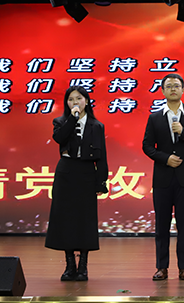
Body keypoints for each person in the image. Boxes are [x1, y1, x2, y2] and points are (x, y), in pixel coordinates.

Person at [143, 73, 184, 281]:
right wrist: (166, 159)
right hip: (163, 178)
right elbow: (147, 146)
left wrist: (183, 131)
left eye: (176, 86)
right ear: (163, 91)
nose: (173, 89)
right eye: (169, 86)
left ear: (182, 90)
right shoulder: (154, 117)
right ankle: (161, 267)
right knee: (161, 225)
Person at [45, 86, 109, 282]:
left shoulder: (96, 126)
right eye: (71, 99)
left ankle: (83, 266)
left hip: (87, 173)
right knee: (65, 219)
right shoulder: (60, 122)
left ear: (86, 101)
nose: (75, 102)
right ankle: (69, 265)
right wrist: (72, 119)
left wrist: (101, 181)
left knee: (84, 220)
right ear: (67, 103)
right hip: (66, 173)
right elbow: (59, 138)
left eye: (79, 98)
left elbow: (102, 156)